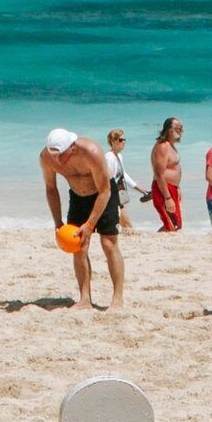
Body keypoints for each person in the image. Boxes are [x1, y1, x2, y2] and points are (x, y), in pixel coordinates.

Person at [38, 126, 127, 308]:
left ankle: (117, 298)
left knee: (109, 244)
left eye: (60, 155)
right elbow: (51, 189)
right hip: (78, 197)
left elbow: (105, 191)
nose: (57, 160)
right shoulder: (46, 157)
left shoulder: (91, 152)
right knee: (79, 246)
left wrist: (90, 224)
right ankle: (85, 299)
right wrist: (57, 223)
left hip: (103, 195)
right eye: (53, 154)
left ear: (72, 147)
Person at [146, 117, 185, 233]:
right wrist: (167, 197)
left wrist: (177, 188)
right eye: (178, 128)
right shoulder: (162, 147)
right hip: (163, 189)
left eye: (182, 128)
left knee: (176, 224)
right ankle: (154, 244)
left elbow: (173, 168)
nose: (181, 131)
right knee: (171, 225)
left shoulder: (170, 146)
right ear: (169, 130)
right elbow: (159, 174)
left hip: (171, 188)